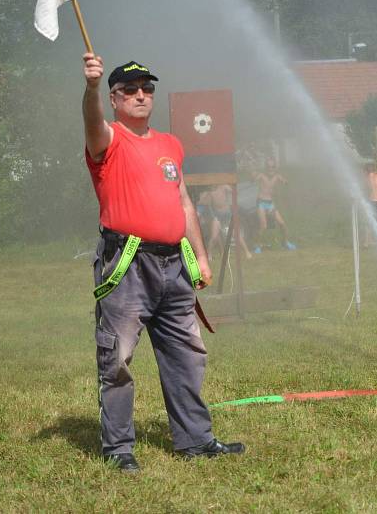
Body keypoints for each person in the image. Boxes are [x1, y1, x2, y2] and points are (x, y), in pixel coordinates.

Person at [82, 54, 244, 472]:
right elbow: (92, 122)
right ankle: (119, 449)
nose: (141, 95)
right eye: (130, 90)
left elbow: (184, 202)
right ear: (116, 99)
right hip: (127, 264)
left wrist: (202, 257)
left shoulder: (171, 145)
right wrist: (91, 88)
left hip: (175, 265)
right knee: (117, 358)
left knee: (187, 354)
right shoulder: (109, 138)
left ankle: (196, 440)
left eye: (147, 89)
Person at [253, 158, 296, 252]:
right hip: (261, 203)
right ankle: (257, 246)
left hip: (270, 204)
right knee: (263, 226)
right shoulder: (261, 175)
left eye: (272, 167)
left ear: (275, 167)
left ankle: (285, 243)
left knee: (282, 224)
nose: (270, 169)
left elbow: (286, 182)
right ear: (266, 167)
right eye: (268, 167)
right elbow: (253, 180)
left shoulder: (277, 177)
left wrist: (286, 182)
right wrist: (253, 174)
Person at [207, 184, 253, 260]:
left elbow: (234, 192)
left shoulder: (223, 187)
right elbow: (208, 206)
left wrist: (231, 192)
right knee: (214, 236)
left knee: (236, 234)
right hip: (217, 215)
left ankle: (247, 252)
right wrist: (212, 216)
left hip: (227, 214)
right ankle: (209, 254)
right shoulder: (210, 193)